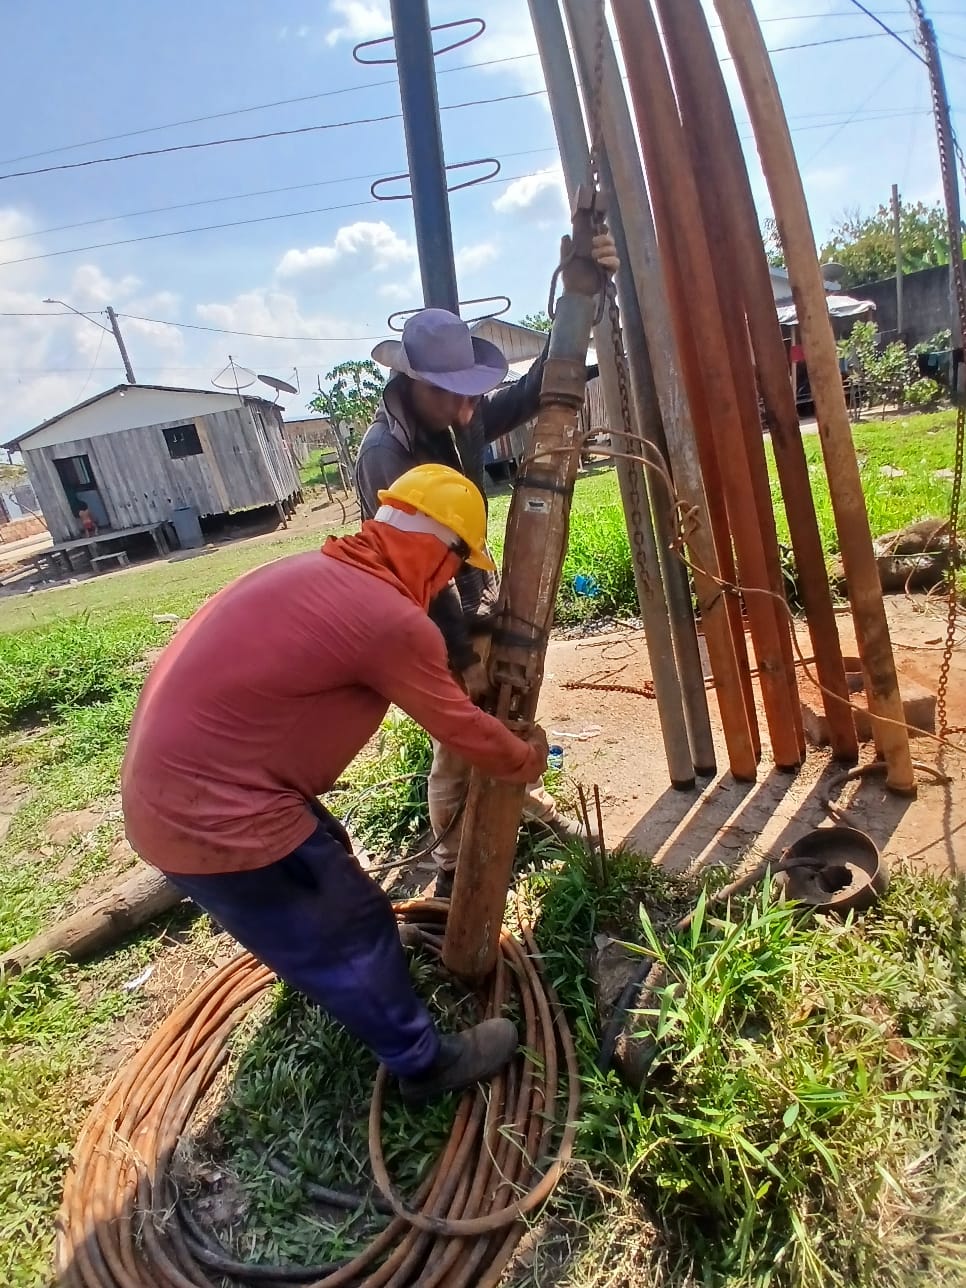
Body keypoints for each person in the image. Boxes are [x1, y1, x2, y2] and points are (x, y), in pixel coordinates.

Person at [121, 464, 549, 1105]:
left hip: (175, 792)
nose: (452, 584)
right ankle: (422, 1062)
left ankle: (332, 969)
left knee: (326, 844)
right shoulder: (390, 620)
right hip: (214, 816)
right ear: (438, 555)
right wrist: (526, 758)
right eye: (457, 567)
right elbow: (463, 729)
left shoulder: (313, 573)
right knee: (353, 922)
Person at [355, 233, 619, 896]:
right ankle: (450, 872)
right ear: (415, 383)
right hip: (425, 613)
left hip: (472, 591)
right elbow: (418, 575)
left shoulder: (458, 416)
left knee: (501, 715)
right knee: (457, 740)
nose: (471, 409)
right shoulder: (386, 455)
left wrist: (587, 292)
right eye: (456, 396)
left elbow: (531, 391)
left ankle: (524, 808)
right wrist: (457, 656)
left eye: (475, 396)